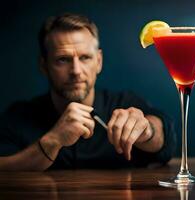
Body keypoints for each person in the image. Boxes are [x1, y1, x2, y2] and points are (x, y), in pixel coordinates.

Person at [0, 13, 176, 171]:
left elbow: (166, 143)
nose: (76, 70)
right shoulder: (19, 116)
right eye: (63, 60)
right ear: (44, 66)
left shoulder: (124, 103)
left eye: (85, 58)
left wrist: (147, 131)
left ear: (98, 61)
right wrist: (53, 140)